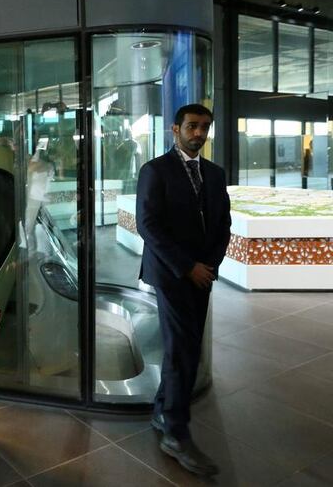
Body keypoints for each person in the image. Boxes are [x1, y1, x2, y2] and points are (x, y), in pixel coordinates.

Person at [136, 104, 231, 477]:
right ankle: (175, 431)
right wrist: (186, 266)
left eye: (205, 127)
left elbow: (222, 223)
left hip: (202, 274)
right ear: (175, 129)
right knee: (181, 349)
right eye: (192, 126)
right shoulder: (155, 171)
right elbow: (148, 225)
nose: (199, 133)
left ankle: (163, 409)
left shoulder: (214, 173)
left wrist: (209, 265)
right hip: (172, 274)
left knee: (186, 345)